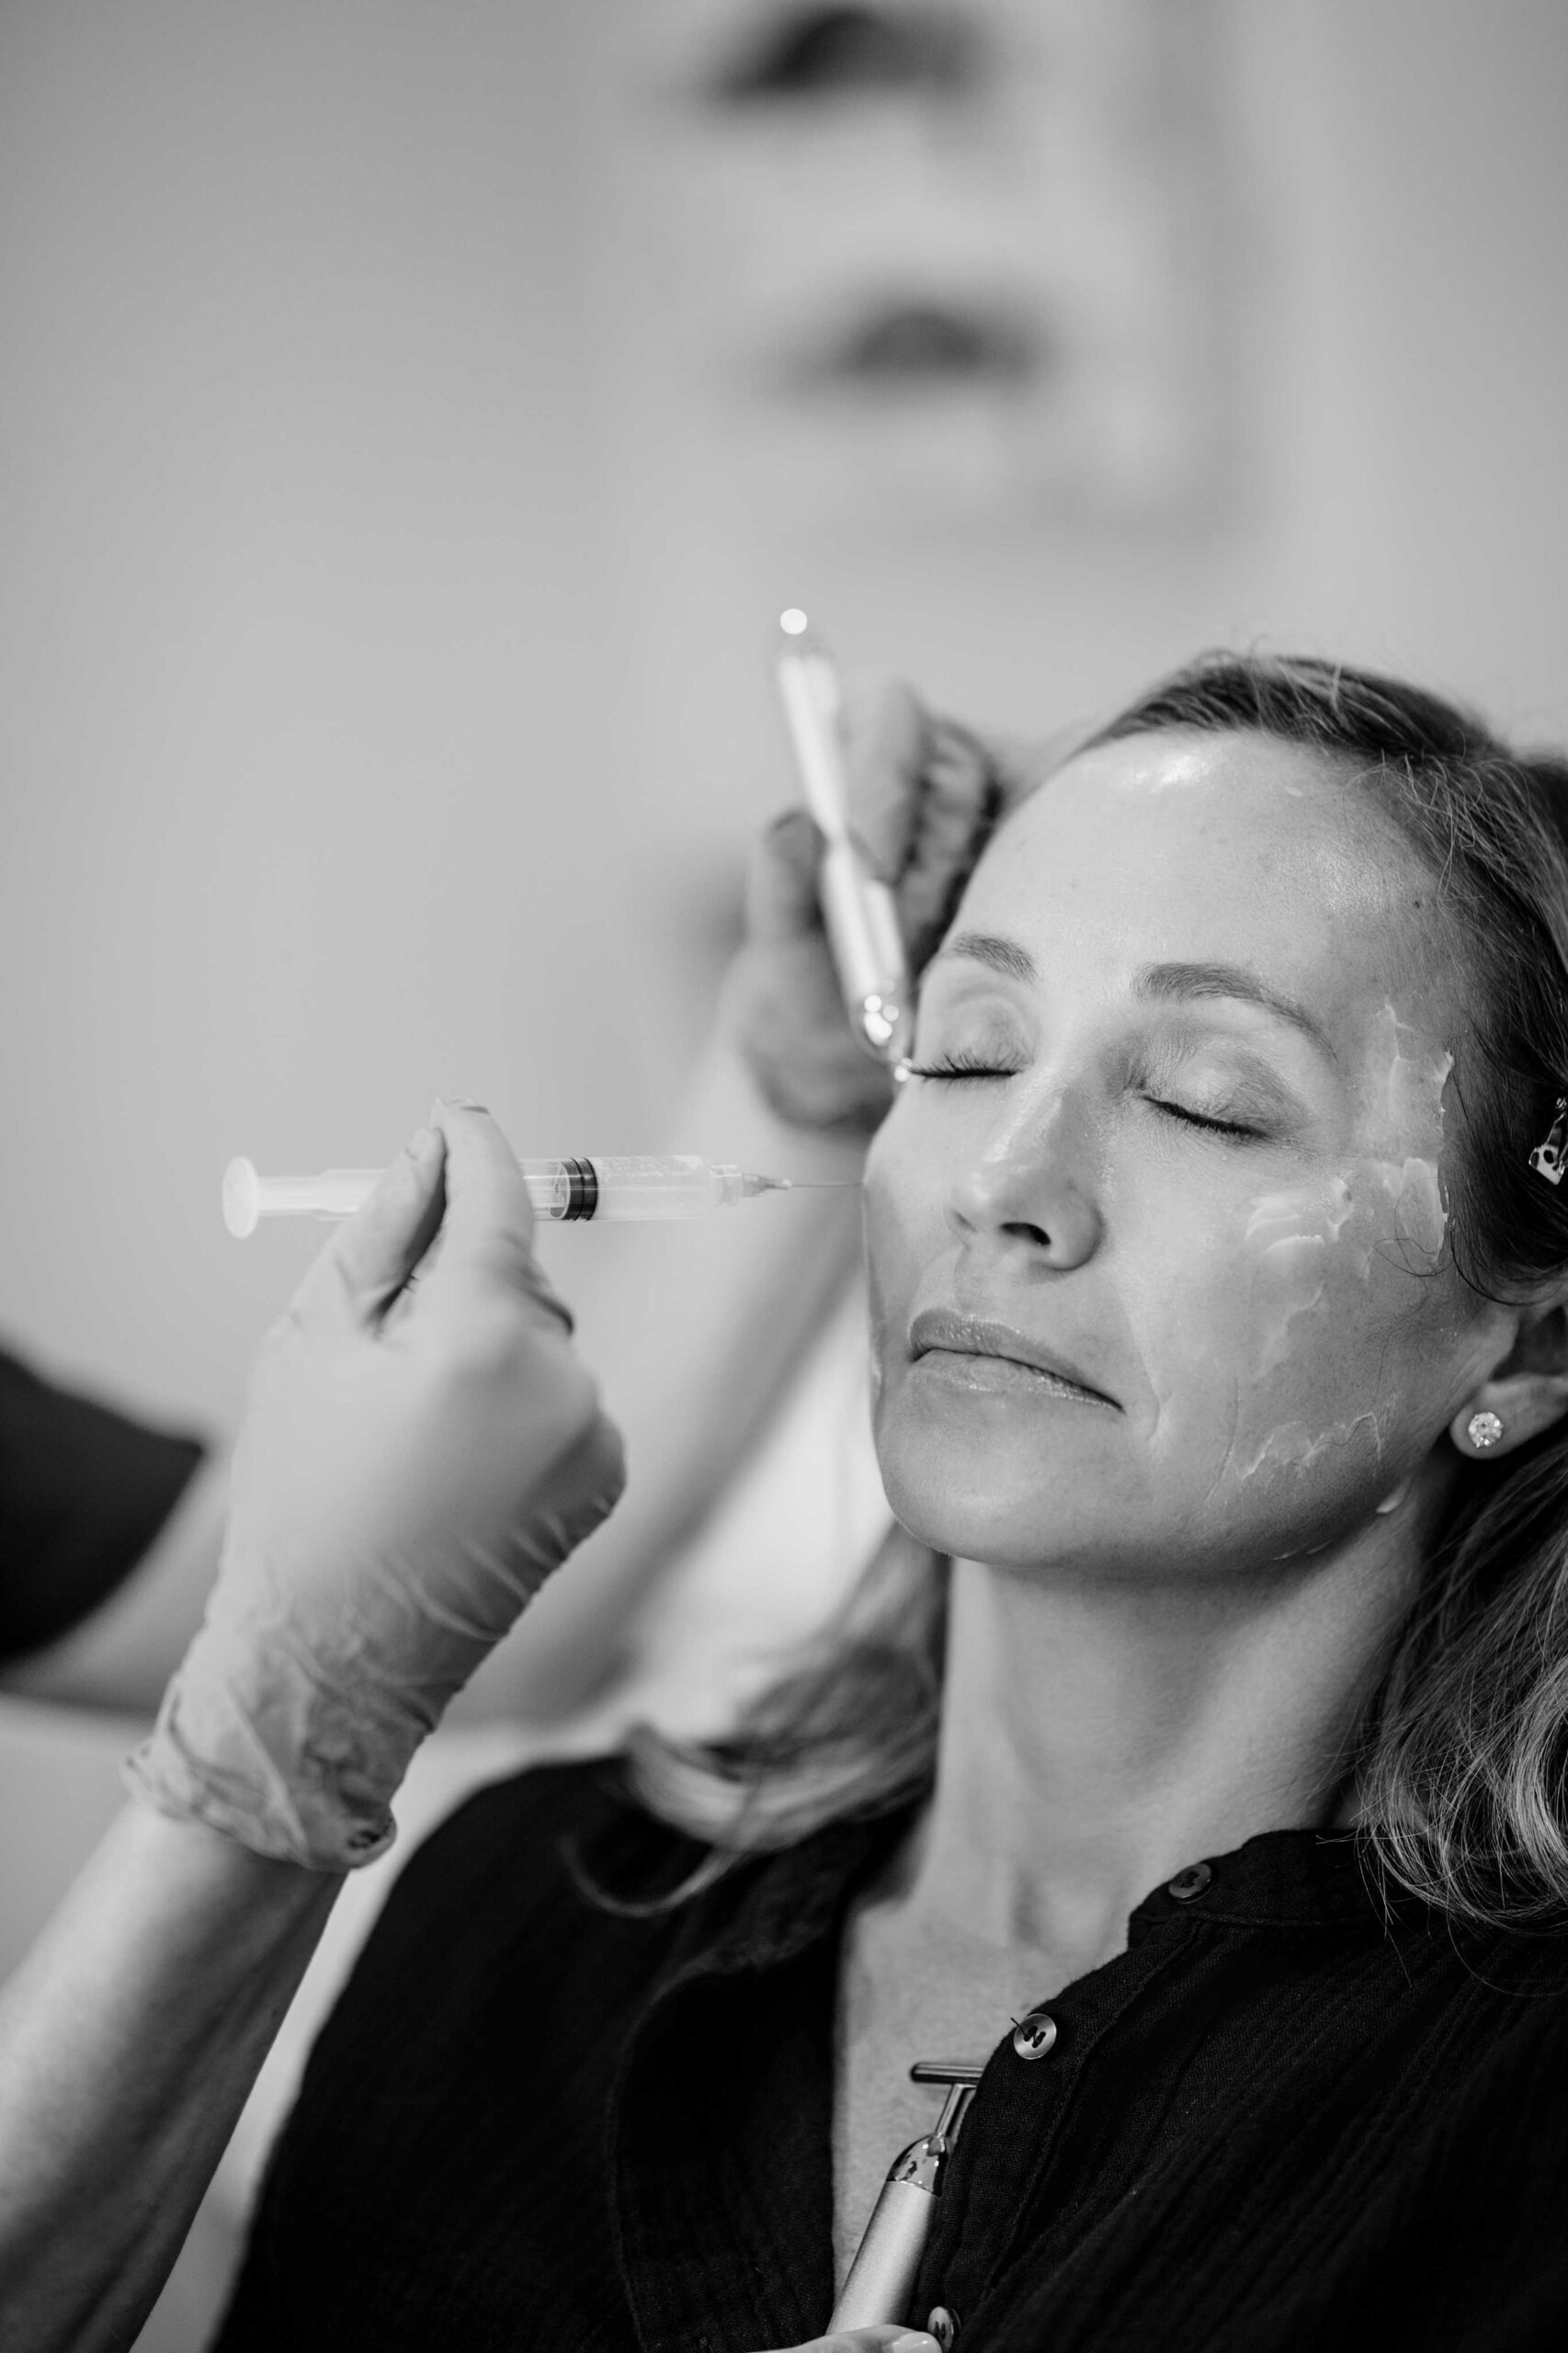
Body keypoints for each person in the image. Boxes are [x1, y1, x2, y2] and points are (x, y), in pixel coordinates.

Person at [209, 652, 1568, 2353]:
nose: (998, 1184)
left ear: (1533, 1341)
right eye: (967, 1054)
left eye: (1203, 1101)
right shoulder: (524, 1911)